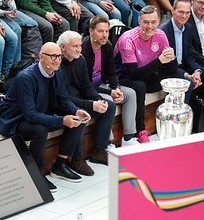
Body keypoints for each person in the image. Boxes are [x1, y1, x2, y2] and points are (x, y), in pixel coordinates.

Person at [0, 42, 93, 192]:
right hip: (16, 120)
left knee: (77, 121)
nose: (57, 60)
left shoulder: (57, 72)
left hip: (39, 112)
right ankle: (35, 174)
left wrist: (76, 111)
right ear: (41, 57)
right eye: (53, 56)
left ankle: (60, 165)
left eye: (59, 56)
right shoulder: (26, 78)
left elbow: (63, 100)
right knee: (40, 130)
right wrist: (62, 120)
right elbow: (29, 114)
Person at [114, 5, 177, 140]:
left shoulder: (160, 35)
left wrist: (171, 57)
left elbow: (171, 68)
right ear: (139, 21)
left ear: (158, 21)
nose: (150, 26)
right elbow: (133, 74)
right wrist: (160, 60)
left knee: (172, 78)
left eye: (153, 22)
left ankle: (172, 121)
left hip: (144, 74)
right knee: (139, 86)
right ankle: (140, 130)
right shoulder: (128, 39)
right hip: (121, 76)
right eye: (146, 22)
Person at [159, 0, 204, 128]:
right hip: (168, 69)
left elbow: (189, 56)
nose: (184, 15)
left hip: (183, 66)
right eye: (180, 12)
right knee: (187, 83)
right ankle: (185, 124)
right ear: (173, 11)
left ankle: (203, 118)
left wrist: (197, 71)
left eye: (187, 12)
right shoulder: (163, 31)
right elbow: (169, 65)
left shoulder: (187, 28)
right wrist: (188, 75)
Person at [58, 30, 116, 165]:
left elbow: (86, 86)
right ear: (63, 48)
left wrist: (97, 100)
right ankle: (77, 158)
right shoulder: (57, 65)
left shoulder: (80, 59)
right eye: (75, 46)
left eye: (80, 46)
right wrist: (90, 105)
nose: (79, 49)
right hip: (62, 103)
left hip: (79, 99)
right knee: (80, 114)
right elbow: (63, 97)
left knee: (109, 106)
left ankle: (99, 150)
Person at [82, 16, 140, 146]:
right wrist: (109, 92)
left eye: (107, 31)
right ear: (91, 31)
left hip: (102, 84)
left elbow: (111, 72)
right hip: (89, 90)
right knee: (107, 102)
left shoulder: (107, 46)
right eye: (100, 31)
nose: (105, 35)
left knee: (130, 93)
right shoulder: (83, 49)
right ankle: (107, 143)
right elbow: (85, 84)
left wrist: (116, 88)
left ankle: (128, 138)